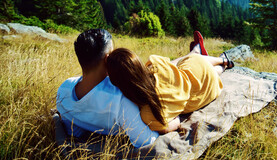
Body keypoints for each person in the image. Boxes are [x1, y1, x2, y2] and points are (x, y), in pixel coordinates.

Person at [106, 31, 234, 133]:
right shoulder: (154, 64)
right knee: (192, 60)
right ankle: (222, 59)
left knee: (213, 73)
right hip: (197, 67)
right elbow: (173, 64)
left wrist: (175, 112)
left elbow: (174, 124)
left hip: (210, 90)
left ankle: (222, 66)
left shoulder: (149, 114)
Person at [56, 29, 159, 148]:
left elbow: (74, 131)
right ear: (107, 59)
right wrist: (174, 123)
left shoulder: (63, 89)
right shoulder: (119, 99)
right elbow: (145, 141)